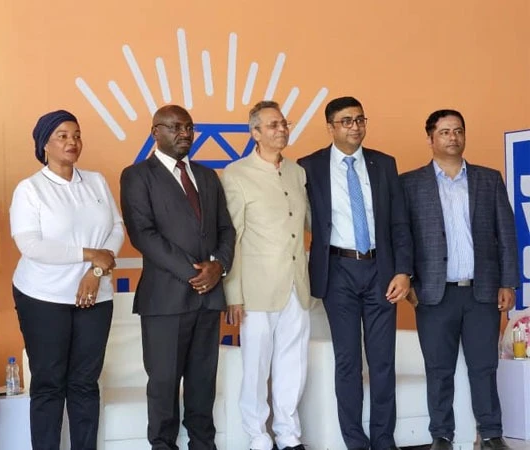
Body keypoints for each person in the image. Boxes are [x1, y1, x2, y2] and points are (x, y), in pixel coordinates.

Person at [297, 96, 412, 450]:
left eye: (360, 120)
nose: (355, 127)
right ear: (330, 126)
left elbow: (399, 223)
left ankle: (383, 440)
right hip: (338, 270)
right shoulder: (309, 166)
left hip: (381, 270)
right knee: (347, 362)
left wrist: (403, 271)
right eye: (346, 121)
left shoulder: (383, 164)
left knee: (382, 362)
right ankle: (355, 442)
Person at [120, 104, 236, 450]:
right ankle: (162, 445)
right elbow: (143, 234)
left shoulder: (207, 175)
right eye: (175, 128)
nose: (185, 134)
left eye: (189, 128)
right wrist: (194, 273)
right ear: (156, 132)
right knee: (164, 384)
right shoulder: (137, 175)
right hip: (166, 299)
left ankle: (204, 444)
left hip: (209, 295)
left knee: (203, 382)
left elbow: (226, 229)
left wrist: (218, 267)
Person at [401, 110, 517, 450]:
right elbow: (402, 237)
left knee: (484, 366)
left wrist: (507, 282)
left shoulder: (488, 179)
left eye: (458, 131)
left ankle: (492, 433)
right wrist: (408, 281)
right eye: (445, 131)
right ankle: (442, 435)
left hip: (482, 291)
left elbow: (506, 235)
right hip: (434, 294)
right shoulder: (409, 184)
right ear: (430, 138)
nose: (453, 137)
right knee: (439, 369)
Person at [9, 110, 124, 450]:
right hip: (43, 297)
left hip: (95, 296)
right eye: (62, 135)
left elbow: (117, 229)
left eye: (76, 134)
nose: (72, 141)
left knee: (85, 383)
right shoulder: (30, 189)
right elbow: (30, 245)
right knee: (48, 384)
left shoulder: (97, 181)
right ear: (44, 144)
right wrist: (90, 255)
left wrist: (97, 271)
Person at [222, 101, 310, 450]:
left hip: (297, 284)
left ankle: (289, 437)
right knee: (256, 368)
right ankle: (258, 437)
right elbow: (234, 238)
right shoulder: (236, 174)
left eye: (284, 124)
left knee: (294, 365)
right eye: (273, 125)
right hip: (256, 289)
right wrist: (234, 294)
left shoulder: (297, 172)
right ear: (254, 133)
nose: (282, 130)